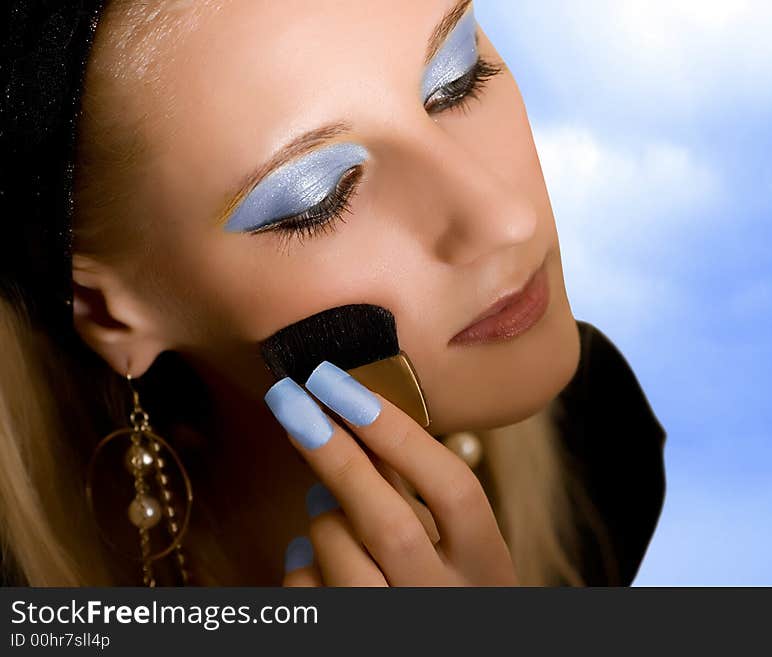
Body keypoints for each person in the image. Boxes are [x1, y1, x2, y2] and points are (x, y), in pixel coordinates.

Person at [0, 0, 666, 587]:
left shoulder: (603, 447)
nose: (506, 221)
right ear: (109, 314)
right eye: (320, 198)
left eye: (458, 79)